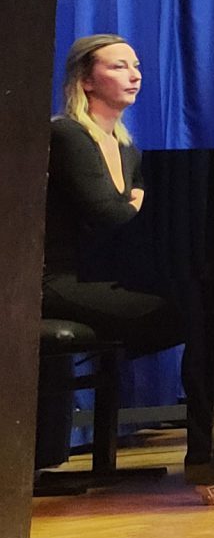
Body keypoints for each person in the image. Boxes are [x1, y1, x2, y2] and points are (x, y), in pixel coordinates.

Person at [43, 35, 183, 354]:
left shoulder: (127, 148)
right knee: (182, 310)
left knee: (210, 304)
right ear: (86, 81)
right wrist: (134, 201)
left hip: (98, 275)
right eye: (119, 67)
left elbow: (133, 215)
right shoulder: (68, 135)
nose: (135, 76)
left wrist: (133, 204)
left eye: (136, 66)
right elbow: (110, 215)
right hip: (57, 278)